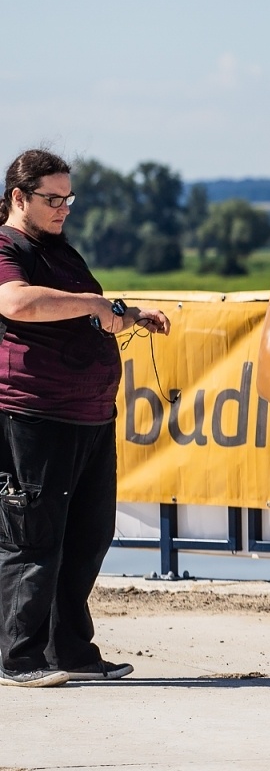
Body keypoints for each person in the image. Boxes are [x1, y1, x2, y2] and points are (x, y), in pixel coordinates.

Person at [0, 149, 170, 688]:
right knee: (34, 538)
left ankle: (69, 649)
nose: (63, 208)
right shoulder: (6, 246)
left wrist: (127, 315)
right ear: (18, 197)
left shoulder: (61, 251)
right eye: (52, 198)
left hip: (89, 415)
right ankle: (17, 657)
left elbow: (88, 311)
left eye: (68, 198)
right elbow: (16, 303)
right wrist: (94, 306)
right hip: (36, 413)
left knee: (87, 535)